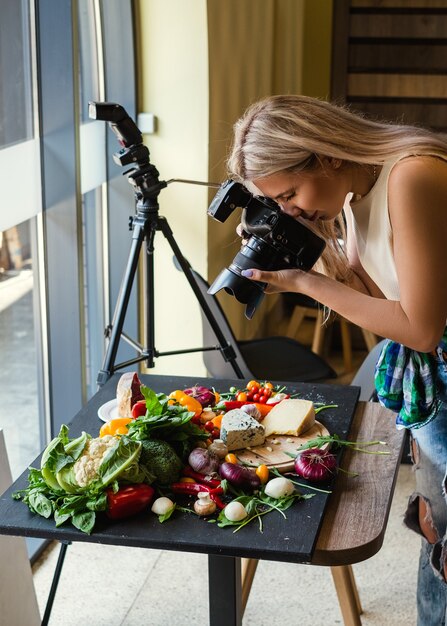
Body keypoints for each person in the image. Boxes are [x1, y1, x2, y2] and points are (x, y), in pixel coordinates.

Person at [227, 94, 447, 625]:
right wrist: (336, 267)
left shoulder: (411, 176)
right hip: (435, 381)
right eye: (277, 204)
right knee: (438, 526)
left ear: (323, 154)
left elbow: (419, 328)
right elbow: (395, 307)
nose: (290, 210)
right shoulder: (355, 197)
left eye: (289, 194)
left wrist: (306, 282)